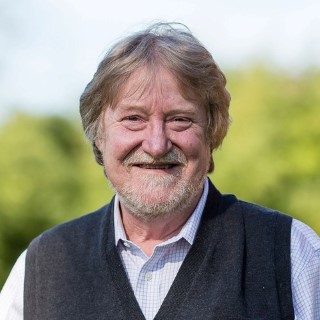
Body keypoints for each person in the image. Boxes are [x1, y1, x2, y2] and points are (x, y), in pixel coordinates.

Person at [0, 22, 319, 320]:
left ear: (212, 133)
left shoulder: (293, 256)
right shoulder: (41, 269)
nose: (155, 144)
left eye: (180, 119)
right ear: (99, 134)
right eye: (133, 118)